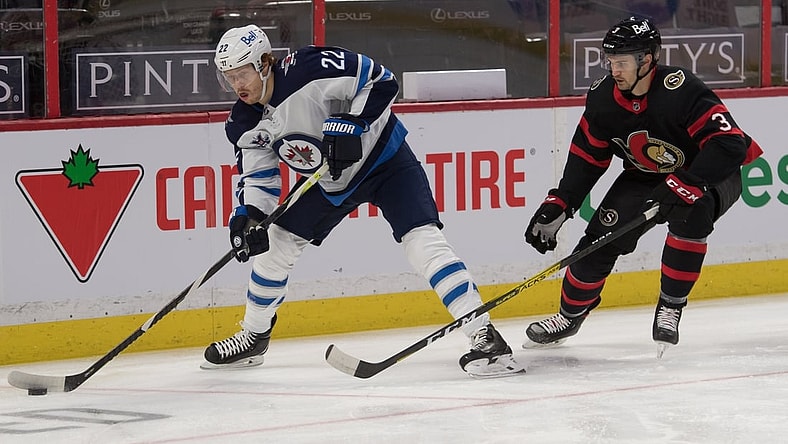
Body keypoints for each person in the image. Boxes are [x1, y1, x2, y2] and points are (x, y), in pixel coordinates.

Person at [201, 24, 525, 378]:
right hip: (330, 180)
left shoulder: (309, 68)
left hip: (386, 161)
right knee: (275, 244)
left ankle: (484, 337)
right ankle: (254, 337)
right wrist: (250, 215)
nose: (237, 85)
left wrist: (352, 124)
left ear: (265, 62)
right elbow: (259, 176)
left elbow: (382, 81)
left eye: (242, 73)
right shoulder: (242, 123)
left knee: (424, 244)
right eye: (228, 77)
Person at [522, 16, 762, 357]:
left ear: (647, 60)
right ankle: (569, 316)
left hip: (710, 172)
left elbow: (729, 144)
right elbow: (587, 156)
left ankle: (670, 306)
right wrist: (562, 202)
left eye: (621, 62)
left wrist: (686, 183)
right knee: (600, 241)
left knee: (693, 211)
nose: (613, 70)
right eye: (610, 62)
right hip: (645, 175)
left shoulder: (682, 90)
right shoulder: (604, 98)